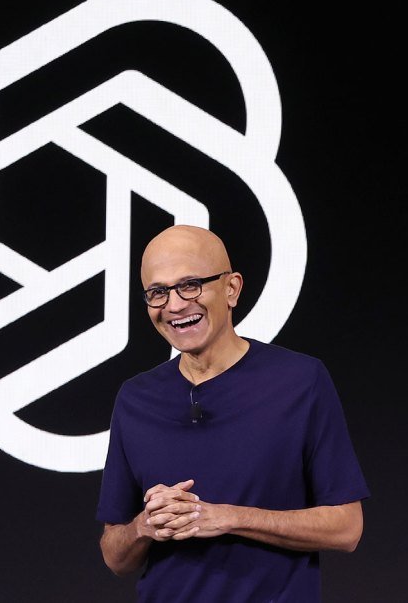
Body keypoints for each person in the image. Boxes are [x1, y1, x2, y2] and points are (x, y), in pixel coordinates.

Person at [96, 225, 369, 601]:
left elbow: (346, 528)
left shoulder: (300, 381)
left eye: (190, 284)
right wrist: (145, 526)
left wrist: (228, 517)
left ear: (232, 288)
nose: (174, 305)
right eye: (158, 292)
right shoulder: (135, 399)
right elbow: (114, 555)